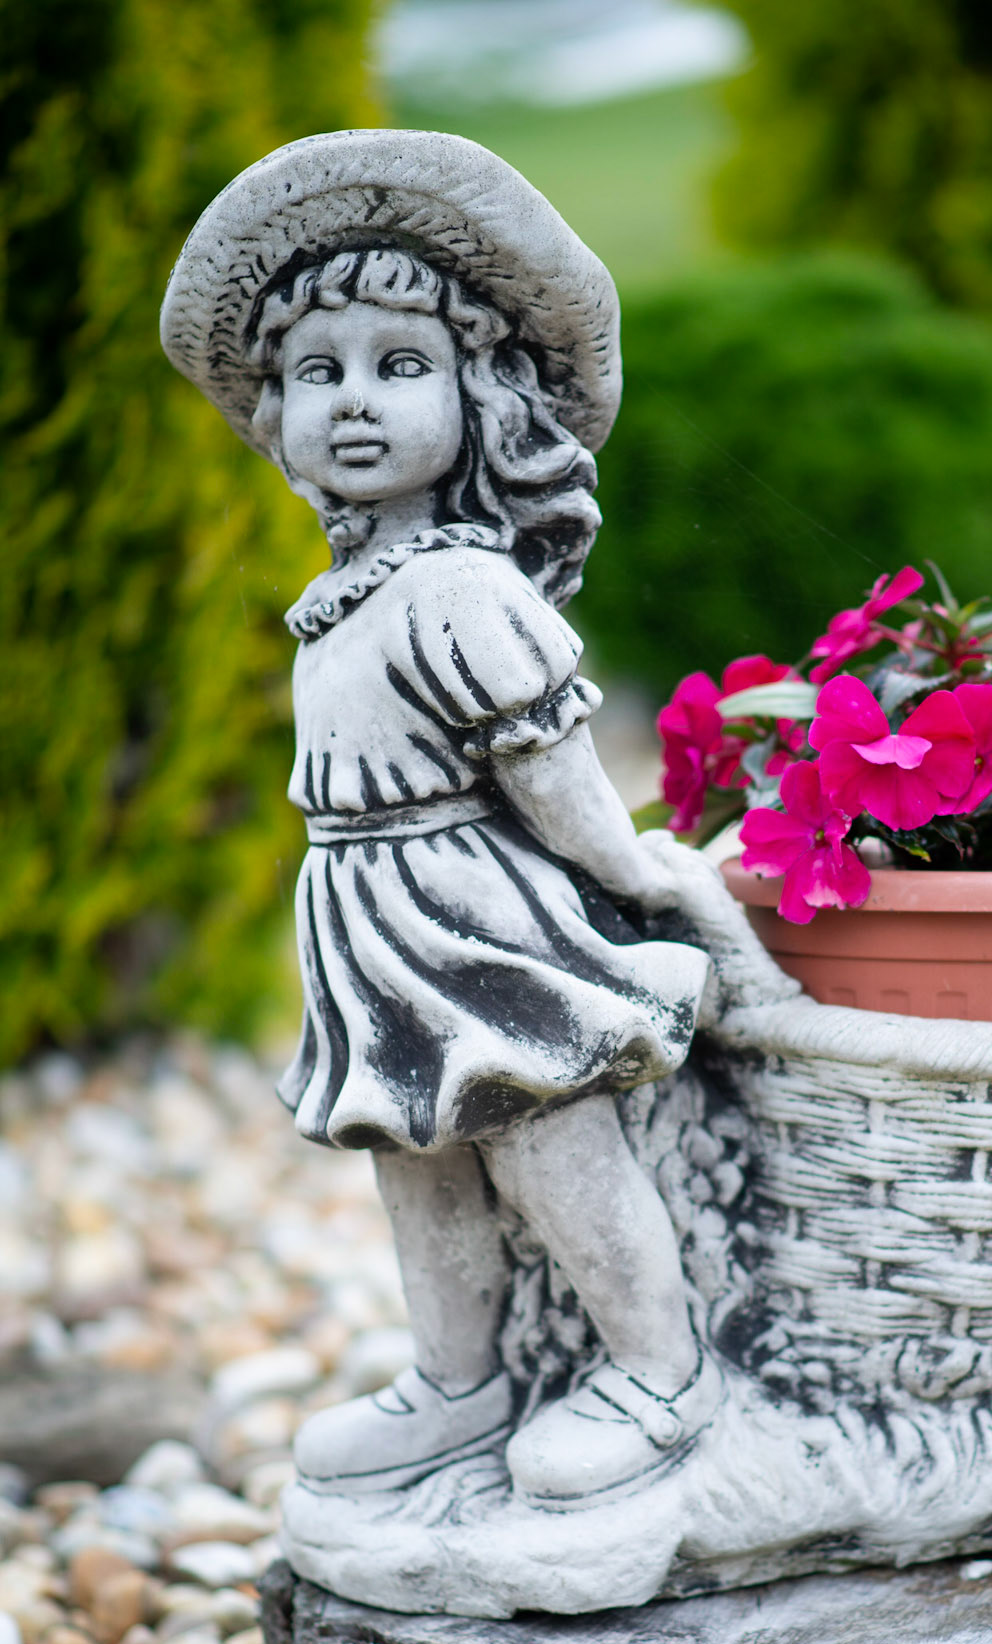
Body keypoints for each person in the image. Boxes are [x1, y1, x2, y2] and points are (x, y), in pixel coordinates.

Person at [161, 135, 787, 1508]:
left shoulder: (460, 590)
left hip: (473, 919)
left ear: (479, 395)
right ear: (275, 411)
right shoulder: (345, 596)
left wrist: (629, 872)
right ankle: (457, 1385)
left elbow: (552, 772)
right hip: (370, 925)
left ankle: (662, 1369)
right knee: (415, 1161)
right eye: (316, 373)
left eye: (400, 364)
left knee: (551, 1145)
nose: (353, 400)